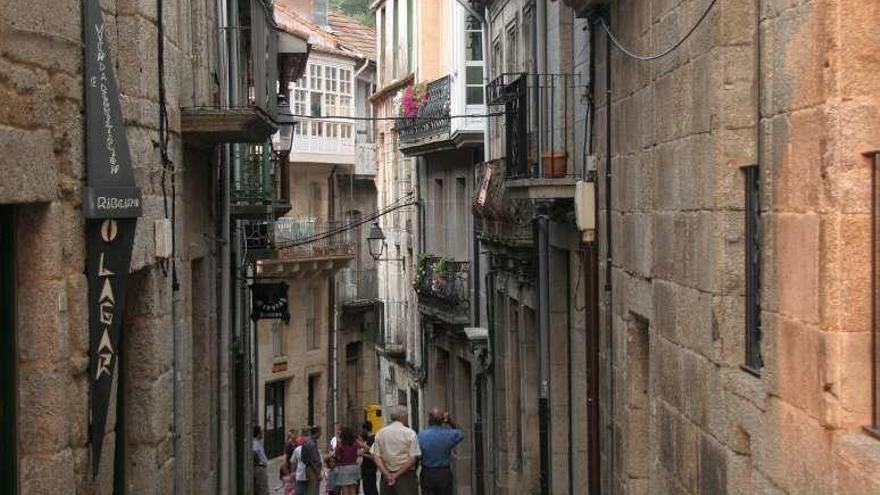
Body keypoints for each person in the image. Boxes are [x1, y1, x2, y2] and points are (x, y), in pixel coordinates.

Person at [370, 405, 421, 495]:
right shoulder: (410, 433)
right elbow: (413, 458)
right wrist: (396, 475)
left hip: (386, 478)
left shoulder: (381, 433)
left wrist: (387, 474)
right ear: (404, 417)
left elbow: (376, 456)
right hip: (406, 477)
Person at [417, 409, 464, 495]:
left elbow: (417, 454)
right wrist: (450, 421)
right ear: (443, 420)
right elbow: (461, 433)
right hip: (444, 473)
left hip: (427, 473)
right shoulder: (449, 434)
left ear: (429, 420)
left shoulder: (421, 436)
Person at [331, 427, 361, 495]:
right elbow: (366, 447)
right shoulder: (355, 442)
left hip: (344, 468)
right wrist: (361, 453)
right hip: (354, 467)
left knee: (345, 488)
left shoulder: (341, 443)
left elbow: (336, 454)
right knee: (353, 488)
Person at [300, 425, 324, 495]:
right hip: (313, 470)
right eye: (320, 432)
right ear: (317, 433)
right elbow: (314, 461)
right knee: (313, 490)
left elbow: (303, 458)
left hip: (309, 468)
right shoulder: (311, 444)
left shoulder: (307, 442)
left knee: (312, 489)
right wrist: (318, 473)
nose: (321, 434)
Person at [359, 421, 379, 495]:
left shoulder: (372, 439)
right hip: (367, 468)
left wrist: (362, 454)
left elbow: (373, 456)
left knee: (370, 489)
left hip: (369, 468)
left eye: (362, 429)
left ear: (365, 429)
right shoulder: (369, 439)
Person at [252, 425, 270, 495]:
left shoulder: (258, 442)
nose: (263, 433)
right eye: (261, 432)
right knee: (263, 490)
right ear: (258, 433)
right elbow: (254, 453)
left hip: (260, 467)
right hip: (259, 469)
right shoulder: (255, 443)